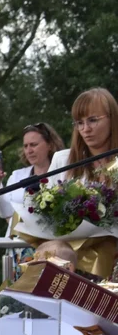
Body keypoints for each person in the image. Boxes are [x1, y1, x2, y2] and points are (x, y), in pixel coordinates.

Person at [48, 88, 118, 279]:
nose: (85, 129)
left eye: (93, 120)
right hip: (67, 265)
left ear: (112, 119)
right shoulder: (62, 161)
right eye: (79, 123)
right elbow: (44, 214)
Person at [0, 123, 65, 236]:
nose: (29, 151)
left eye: (33, 145)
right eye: (25, 146)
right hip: (18, 244)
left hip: (53, 243)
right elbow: (6, 213)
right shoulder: (17, 176)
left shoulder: (63, 174)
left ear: (50, 145)